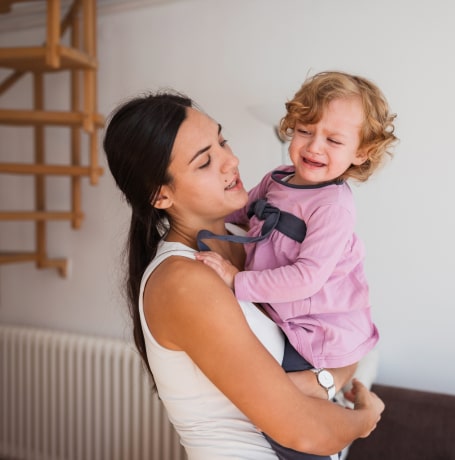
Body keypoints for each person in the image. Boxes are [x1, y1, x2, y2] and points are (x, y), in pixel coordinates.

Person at [103, 90, 384, 460]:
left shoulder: (253, 242)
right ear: (160, 196)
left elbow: (340, 318)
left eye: (222, 141)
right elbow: (307, 431)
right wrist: (367, 417)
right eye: (205, 162)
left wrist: (327, 379)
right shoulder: (184, 280)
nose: (231, 160)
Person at [196, 71, 397, 374]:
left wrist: (236, 280)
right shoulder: (277, 178)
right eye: (305, 131)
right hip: (276, 308)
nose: (314, 147)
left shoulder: (333, 207)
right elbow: (240, 212)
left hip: (316, 326)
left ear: (360, 153)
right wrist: (199, 215)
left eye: (333, 140)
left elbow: (306, 278)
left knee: (280, 395)